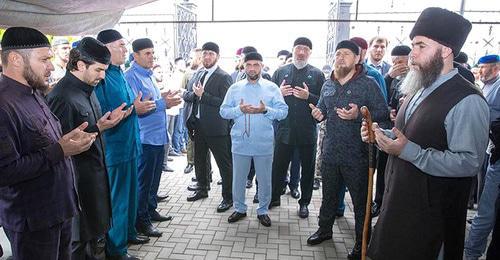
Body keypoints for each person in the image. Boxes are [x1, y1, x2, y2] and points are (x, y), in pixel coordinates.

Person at [361, 7, 489, 259]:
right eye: (412, 46)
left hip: (432, 223)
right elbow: (410, 134)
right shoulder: (418, 89)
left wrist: (409, 151)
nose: (412, 54)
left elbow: (468, 162)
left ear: (446, 50)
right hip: (398, 209)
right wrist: (380, 136)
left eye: (421, 46)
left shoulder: (467, 100)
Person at [0, 26, 97, 260]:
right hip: (33, 222)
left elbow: (44, 143)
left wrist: (68, 142)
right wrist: (61, 149)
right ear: (15, 59)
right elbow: (5, 171)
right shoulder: (3, 104)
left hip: (59, 212)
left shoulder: (34, 92)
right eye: (44, 59)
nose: (52, 66)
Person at [47, 37, 136, 259]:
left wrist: (102, 126)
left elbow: (81, 132)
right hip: (76, 188)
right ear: (79, 65)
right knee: (78, 245)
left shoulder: (87, 89)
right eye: (98, 70)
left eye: (105, 70)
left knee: (90, 240)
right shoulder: (62, 96)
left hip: (92, 180)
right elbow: (61, 148)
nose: (102, 76)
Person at [307, 40, 389, 259]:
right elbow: (323, 110)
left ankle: (362, 243)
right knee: (329, 197)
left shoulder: (369, 84)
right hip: (331, 152)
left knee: (361, 203)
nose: (340, 57)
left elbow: (383, 116)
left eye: (345, 54)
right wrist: (318, 114)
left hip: (359, 156)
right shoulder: (328, 84)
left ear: (357, 58)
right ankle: (324, 230)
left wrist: (359, 116)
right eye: (337, 54)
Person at [95, 29, 152, 259]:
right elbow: (105, 113)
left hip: (131, 145)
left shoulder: (118, 73)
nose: (125, 50)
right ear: (106, 48)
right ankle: (116, 250)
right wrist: (133, 110)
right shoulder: (101, 76)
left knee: (130, 197)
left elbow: (129, 104)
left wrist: (134, 108)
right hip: (114, 149)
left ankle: (129, 232)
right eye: (121, 45)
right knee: (117, 201)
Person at [220, 52, 288, 227]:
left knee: (265, 179)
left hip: (263, 142)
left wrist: (266, 111)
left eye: (256, 64)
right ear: (243, 66)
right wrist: (239, 110)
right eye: (248, 64)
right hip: (240, 142)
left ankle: (263, 210)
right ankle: (240, 209)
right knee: (238, 178)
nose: (252, 68)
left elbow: (283, 112)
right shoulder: (235, 88)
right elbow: (223, 111)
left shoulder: (272, 88)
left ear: (262, 66)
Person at [125, 38, 181, 238]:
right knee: (143, 182)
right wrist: (162, 103)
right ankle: (142, 221)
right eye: (147, 53)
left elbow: (153, 101)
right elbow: (136, 108)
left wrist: (162, 97)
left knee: (153, 181)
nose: (152, 57)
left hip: (158, 136)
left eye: (152, 53)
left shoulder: (149, 76)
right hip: (145, 138)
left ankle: (150, 209)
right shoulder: (130, 77)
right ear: (135, 56)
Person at [270, 37, 324, 218]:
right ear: (293, 50)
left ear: (310, 52)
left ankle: (304, 203)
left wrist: (309, 96)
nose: (301, 52)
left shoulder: (317, 74)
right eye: (298, 48)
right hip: (283, 129)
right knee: (278, 166)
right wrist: (279, 93)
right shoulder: (280, 72)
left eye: (305, 49)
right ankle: (275, 196)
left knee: (307, 169)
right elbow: (269, 100)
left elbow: (323, 103)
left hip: (307, 130)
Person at [183, 42, 234, 213]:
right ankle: (202, 188)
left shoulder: (224, 76)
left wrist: (203, 96)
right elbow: (192, 96)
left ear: (217, 56)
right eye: (204, 53)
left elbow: (225, 103)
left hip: (217, 127)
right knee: (200, 159)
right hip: (198, 125)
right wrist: (189, 96)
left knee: (223, 163)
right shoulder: (199, 73)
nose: (207, 57)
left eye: (211, 53)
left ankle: (228, 197)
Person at [465, 54, 500, 260]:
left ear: (495, 68)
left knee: (486, 208)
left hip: (496, 155)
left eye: (484, 67)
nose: (480, 71)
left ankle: (472, 253)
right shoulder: (486, 86)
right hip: (490, 150)